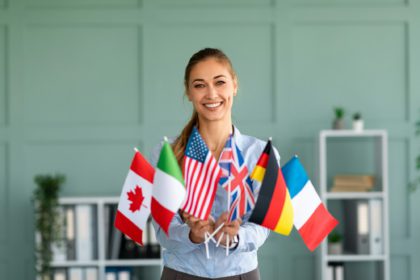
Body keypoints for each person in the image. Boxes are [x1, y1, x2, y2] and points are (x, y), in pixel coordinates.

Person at [150, 48, 279, 280]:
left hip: (241, 274)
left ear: (234, 85)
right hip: (181, 274)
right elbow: (162, 230)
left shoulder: (261, 154)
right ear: (188, 92)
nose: (211, 94)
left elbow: (264, 224)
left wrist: (236, 237)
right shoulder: (167, 153)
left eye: (220, 82)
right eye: (199, 85)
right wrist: (192, 235)